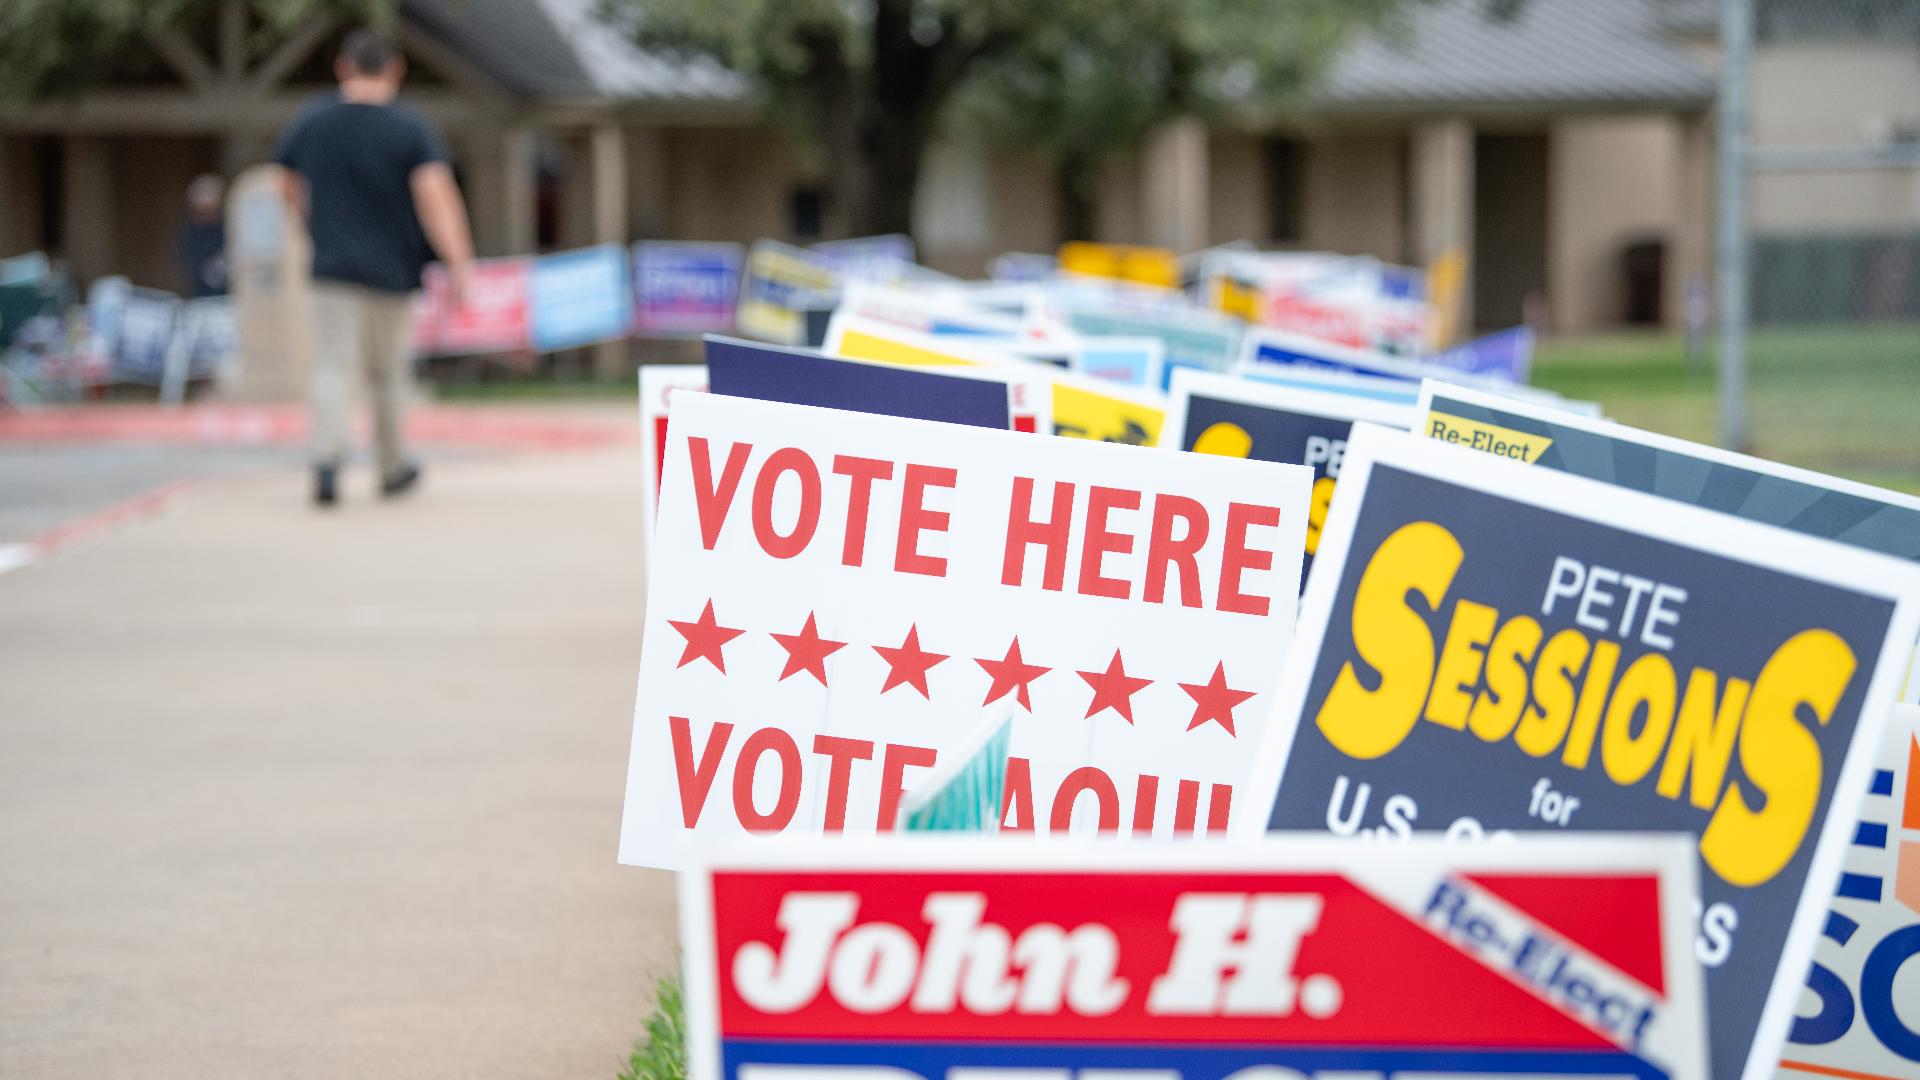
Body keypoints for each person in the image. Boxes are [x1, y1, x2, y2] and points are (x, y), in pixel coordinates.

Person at [273, 27, 474, 507]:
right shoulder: (410, 128)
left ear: (343, 67)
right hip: (393, 269)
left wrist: (309, 222)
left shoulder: (313, 121)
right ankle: (391, 465)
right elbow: (436, 197)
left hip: (331, 267)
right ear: (395, 70)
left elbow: (283, 178)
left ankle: (327, 459)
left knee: (331, 365)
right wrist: (459, 264)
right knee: (387, 373)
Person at [177, 174, 228, 299]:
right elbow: (188, 262)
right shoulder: (190, 232)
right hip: (202, 296)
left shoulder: (228, 227)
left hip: (229, 297)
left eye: (210, 210)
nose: (206, 216)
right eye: (202, 211)